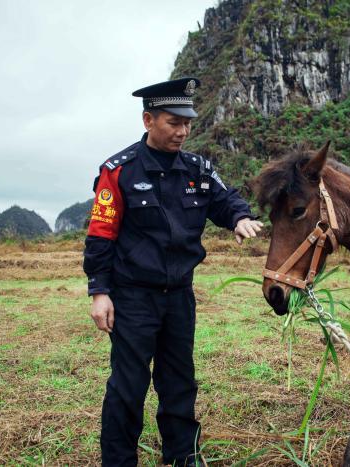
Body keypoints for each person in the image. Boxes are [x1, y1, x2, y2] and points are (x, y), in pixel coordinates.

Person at [83, 77, 263, 467]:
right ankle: (118, 461)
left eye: (187, 123)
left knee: (179, 381)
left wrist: (239, 218)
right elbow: (101, 233)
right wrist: (100, 291)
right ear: (148, 120)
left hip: (179, 296)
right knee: (128, 386)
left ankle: (183, 456)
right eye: (172, 122)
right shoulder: (120, 171)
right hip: (133, 297)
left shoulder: (198, 169)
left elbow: (225, 198)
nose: (182, 132)